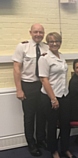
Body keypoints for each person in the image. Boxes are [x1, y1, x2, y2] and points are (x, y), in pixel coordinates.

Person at [12, 23, 48, 157]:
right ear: (30, 33)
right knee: (29, 117)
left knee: (42, 115)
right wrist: (19, 89)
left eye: (40, 32)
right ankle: (31, 144)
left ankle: (41, 140)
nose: (38, 34)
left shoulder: (46, 47)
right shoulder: (23, 46)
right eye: (36, 32)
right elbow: (16, 68)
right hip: (28, 85)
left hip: (42, 85)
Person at [38, 32, 76, 158]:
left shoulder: (61, 56)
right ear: (47, 43)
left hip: (64, 95)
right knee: (52, 125)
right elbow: (44, 80)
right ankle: (54, 151)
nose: (54, 44)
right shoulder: (44, 58)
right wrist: (53, 99)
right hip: (50, 97)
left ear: (60, 42)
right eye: (51, 41)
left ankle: (65, 149)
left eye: (57, 41)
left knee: (66, 124)